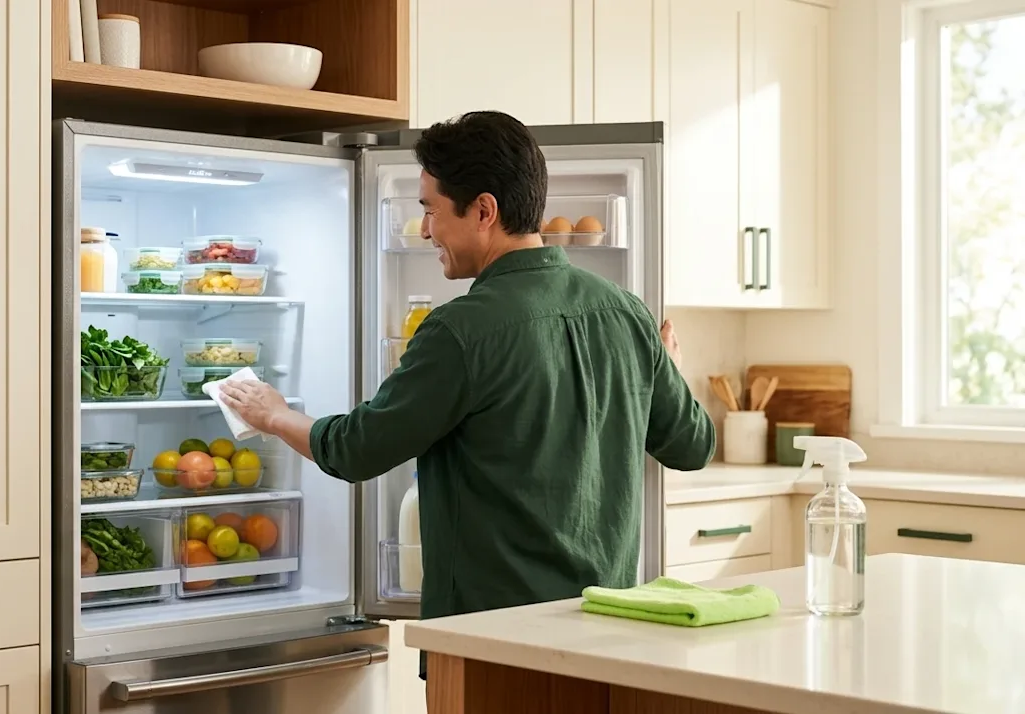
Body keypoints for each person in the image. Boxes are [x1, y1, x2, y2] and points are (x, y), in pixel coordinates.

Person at [220, 110, 715, 697]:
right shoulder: (625, 311)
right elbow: (692, 447)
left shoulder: (460, 331)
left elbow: (356, 450)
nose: (425, 230)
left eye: (430, 208)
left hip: (492, 644)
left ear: (483, 211)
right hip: (605, 633)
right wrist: (670, 371)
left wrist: (275, 415)